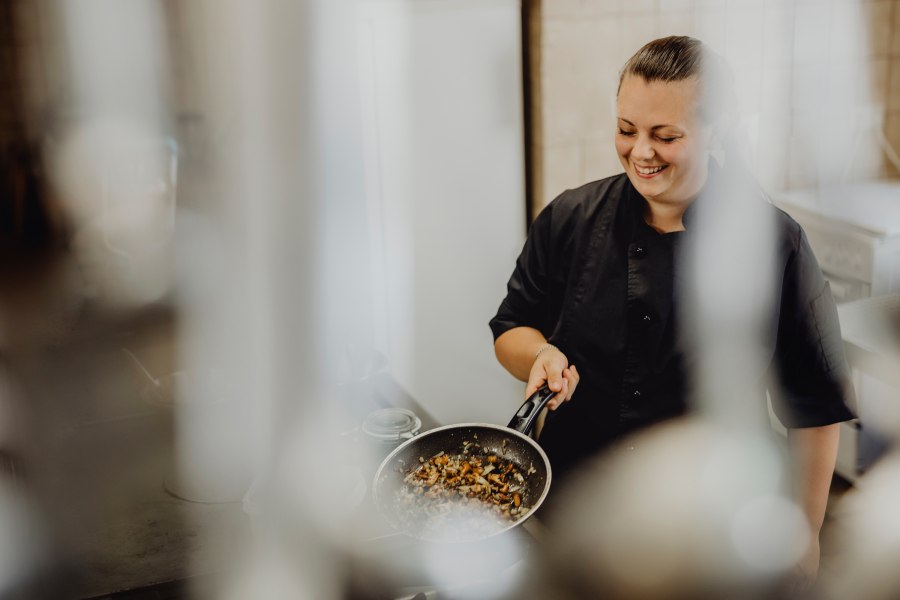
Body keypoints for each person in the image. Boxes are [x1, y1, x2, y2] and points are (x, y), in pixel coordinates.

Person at [489, 36, 855, 586]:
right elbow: (511, 326)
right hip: (578, 507)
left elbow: (816, 405)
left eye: (665, 136)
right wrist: (540, 353)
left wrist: (804, 536)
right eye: (626, 129)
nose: (641, 152)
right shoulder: (570, 218)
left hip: (711, 523)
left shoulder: (772, 244)